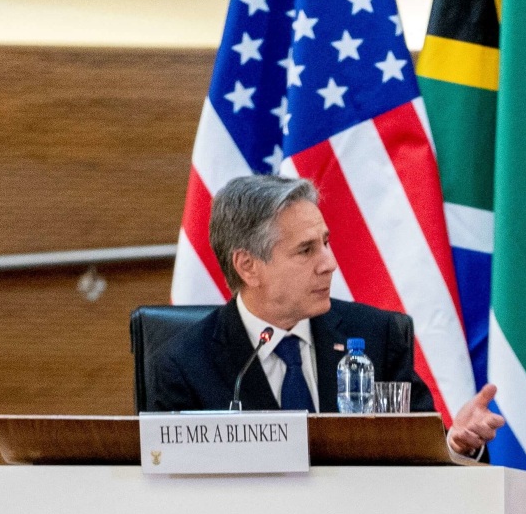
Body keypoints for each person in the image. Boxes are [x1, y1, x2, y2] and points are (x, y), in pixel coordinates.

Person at [146, 174, 504, 460]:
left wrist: (457, 444)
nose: (329, 263)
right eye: (306, 250)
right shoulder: (184, 365)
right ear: (248, 266)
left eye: (326, 242)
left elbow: (422, 463)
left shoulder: (378, 336)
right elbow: (169, 491)